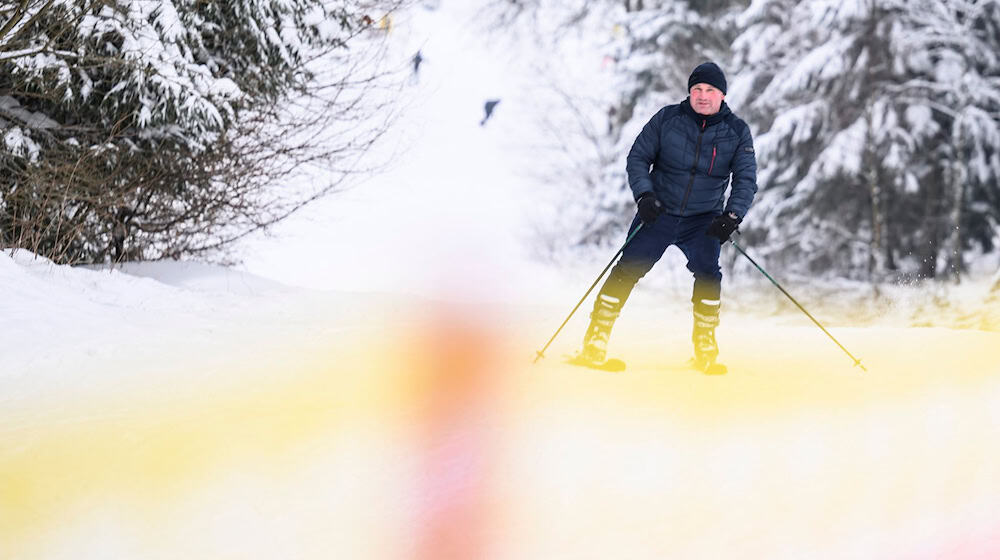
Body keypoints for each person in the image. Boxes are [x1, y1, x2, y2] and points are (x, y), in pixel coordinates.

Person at [577, 61, 758, 374]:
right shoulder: (667, 119)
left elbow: (746, 179)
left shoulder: (737, 132)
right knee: (626, 271)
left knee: (709, 276)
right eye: (697, 90)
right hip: (658, 213)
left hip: (703, 220)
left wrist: (732, 216)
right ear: (689, 92)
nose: (702, 96)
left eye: (710, 90)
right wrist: (644, 196)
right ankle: (595, 340)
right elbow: (638, 158)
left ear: (722, 96)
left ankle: (705, 347)